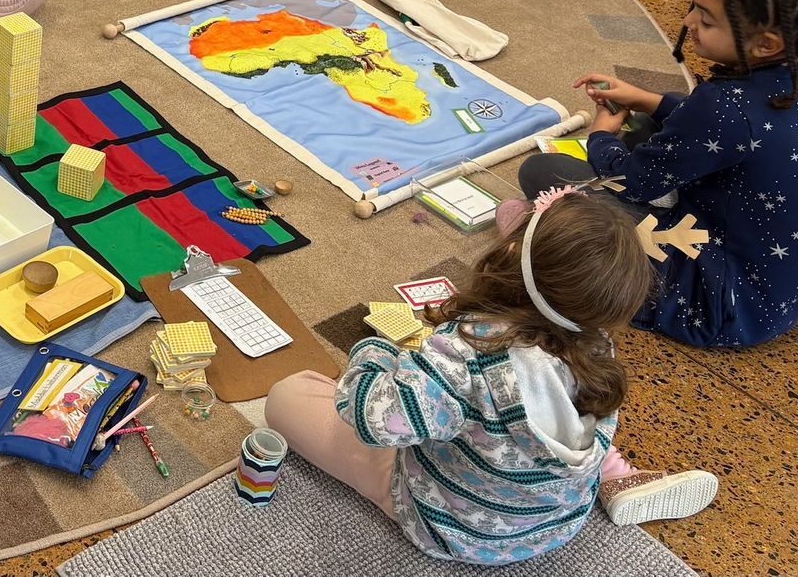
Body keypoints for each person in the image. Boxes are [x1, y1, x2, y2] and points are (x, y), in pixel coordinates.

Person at [266, 189, 718, 566]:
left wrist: (374, 353)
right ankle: (614, 474)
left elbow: (376, 420)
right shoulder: (597, 343)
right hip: (553, 527)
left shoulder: (467, 353)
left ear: (507, 253)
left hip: (452, 531)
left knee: (287, 394)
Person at [522, 0, 798, 348]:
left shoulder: (722, 107)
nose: (687, 21)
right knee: (653, 127)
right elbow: (739, 128)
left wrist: (601, 134)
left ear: (766, 44)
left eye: (705, 19)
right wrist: (648, 100)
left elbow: (630, 180)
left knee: (544, 175)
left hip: (726, 301)